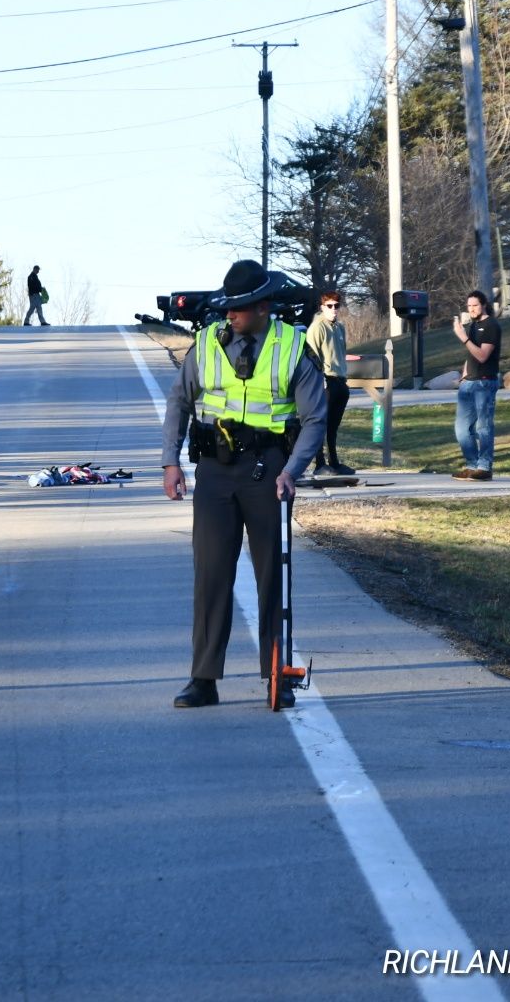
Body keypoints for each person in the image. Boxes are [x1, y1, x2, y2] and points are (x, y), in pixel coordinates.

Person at [161, 260, 326, 709]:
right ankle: (203, 677)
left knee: (272, 576)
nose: (230, 315)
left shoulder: (292, 346)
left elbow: (314, 418)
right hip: (214, 469)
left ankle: (277, 675)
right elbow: (180, 400)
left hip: (269, 470)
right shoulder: (208, 343)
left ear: (263, 306)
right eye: (228, 307)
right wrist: (169, 463)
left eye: (240, 308)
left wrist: (292, 469)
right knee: (211, 575)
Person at [452, 289, 502, 481]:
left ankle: (484, 467)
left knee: (483, 426)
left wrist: (462, 337)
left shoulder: (491, 326)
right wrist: (464, 376)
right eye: (469, 306)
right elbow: (471, 355)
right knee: (462, 428)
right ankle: (472, 465)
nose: (472, 309)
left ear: (483, 305)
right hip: (468, 384)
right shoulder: (473, 326)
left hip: (484, 383)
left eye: (475, 305)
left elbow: (482, 355)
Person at [304, 290, 354, 476]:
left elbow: (341, 353)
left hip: (340, 380)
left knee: (333, 426)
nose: (334, 309)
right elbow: (310, 355)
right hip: (325, 381)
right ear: (322, 307)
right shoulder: (317, 327)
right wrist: (320, 380)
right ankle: (319, 463)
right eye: (329, 306)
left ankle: (334, 462)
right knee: (320, 424)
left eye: (336, 306)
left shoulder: (339, 328)